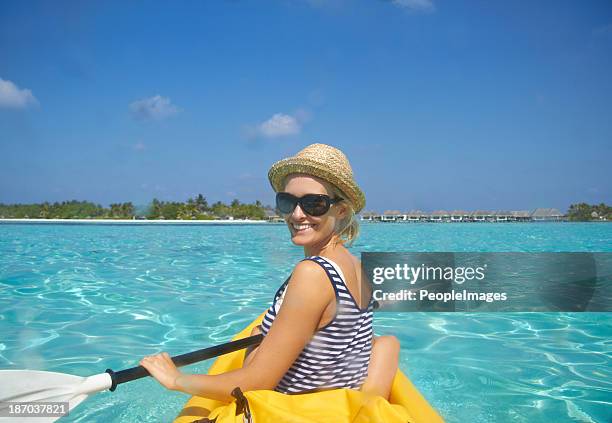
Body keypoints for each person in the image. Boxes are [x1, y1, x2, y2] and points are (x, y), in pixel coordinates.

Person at [140, 143, 400, 404]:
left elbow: (254, 385)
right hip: (338, 403)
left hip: (295, 409)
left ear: (341, 210)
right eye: (287, 202)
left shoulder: (312, 273)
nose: (297, 214)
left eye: (314, 203)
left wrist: (176, 380)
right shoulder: (357, 266)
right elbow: (345, 340)